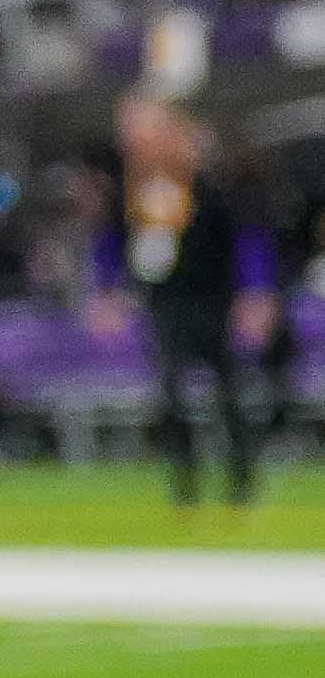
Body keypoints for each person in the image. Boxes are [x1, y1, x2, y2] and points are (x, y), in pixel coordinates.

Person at [121, 35, 267, 509]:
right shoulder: (136, 185)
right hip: (166, 298)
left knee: (226, 390)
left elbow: (245, 232)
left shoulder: (209, 178)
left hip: (211, 293)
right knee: (170, 391)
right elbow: (124, 241)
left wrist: (255, 291)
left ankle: (241, 480)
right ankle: (184, 484)